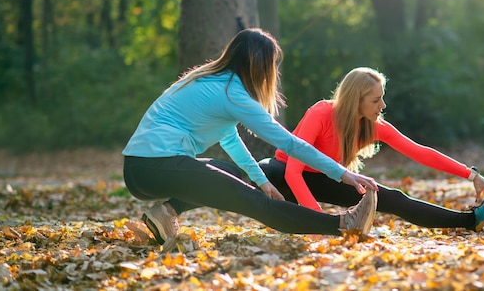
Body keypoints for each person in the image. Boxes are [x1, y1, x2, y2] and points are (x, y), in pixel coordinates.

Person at [122, 29, 379, 245]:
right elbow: (288, 143)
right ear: (260, 65)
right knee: (253, 201)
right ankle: (343, 224)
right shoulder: (231, 92)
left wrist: (262, 180)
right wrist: (343, 173)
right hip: (154, 166)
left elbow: (229, 138)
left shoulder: (214, 81)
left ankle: (164, 214)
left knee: (229, 171)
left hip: (143, 168)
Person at [259, 67, 484, 233]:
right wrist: (317, 222)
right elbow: (293, 172)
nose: (383, 104)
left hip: (323, 178)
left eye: (382, 97)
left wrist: (473, 176)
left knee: (393, 199)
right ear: (355, 99)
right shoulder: (321, 113)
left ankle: (473, 220)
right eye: (376, 100)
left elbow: (420, 152)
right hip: (284, 176)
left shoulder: (373, 126)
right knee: (270, 170)